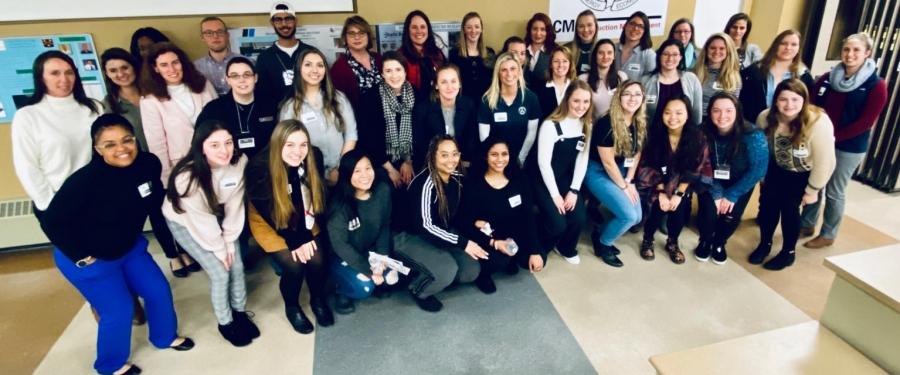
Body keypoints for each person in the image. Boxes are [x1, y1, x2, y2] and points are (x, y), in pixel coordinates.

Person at [40, 114, 194, 375]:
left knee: (158, 290)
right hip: (88, 258)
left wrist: (172, 250)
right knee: (119, 310)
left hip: (128, 247)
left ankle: (164, 338)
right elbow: (52, 222)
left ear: (135, 139)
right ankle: (110, 365)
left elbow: (157, 209)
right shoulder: (84, 181)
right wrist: (81, 256)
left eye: (126, 140)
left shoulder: (147, 164)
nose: (121, 149)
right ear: (97, 149)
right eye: (110, 144)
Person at [102, 47, 197, 278]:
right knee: (157, 209)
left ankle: (187, 250)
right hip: (137, 164)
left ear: (135, 68)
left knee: (181, 208)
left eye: (124, 67)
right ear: (107, 75)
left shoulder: (153, 91)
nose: (121, 74)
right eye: (113, 70)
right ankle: (173, 256)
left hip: (159, 158)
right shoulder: (111, 103)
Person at [162, 120, 258, 347]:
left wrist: (229, 240)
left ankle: (240, 313)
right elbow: (201, 221)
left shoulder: (239, 162)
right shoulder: (187, 177)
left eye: (228, 143)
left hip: (218, 217)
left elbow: (235, 205)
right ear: (201, 147)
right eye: (214, 145)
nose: (224, 150)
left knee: (237, 265)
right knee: (220, 272)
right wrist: (220, 248)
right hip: (185, 221)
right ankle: (225, 323)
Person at [800, 32, 888, 249]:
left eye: (856, 50)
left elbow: (866, 122)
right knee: (815, 183)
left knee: (834, 190)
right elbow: (811, 106)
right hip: (821, 142)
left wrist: (831, 138)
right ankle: (807, 223)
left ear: (867, 53)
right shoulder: (827, 78)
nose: (850, 54)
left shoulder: (876, 85)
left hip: (849, 147)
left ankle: (828, 233)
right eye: (846, 49)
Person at [245, 119, 334, 333]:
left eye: (303, 144)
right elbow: (270, 212)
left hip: (303, 208)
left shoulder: (314, 156)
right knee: (294, 266)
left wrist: (306, 234)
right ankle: (292, 307)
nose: (298, 151)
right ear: (278, 144)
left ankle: (318, 300)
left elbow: (313, 193)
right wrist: (295, 240)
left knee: (318, 260)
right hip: (271, 217)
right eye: (290, 145)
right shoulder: (258, 167)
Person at [750, 79, 836, 270]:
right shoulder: (765, 117)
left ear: (804, 101)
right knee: (767, 209)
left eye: (795, 100)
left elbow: (825, 161)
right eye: (783, 99)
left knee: (790, 212)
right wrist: (761, 175)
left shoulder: (818, 122)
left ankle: (788, 252)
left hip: (801, 173)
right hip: (775, 169)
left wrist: (813, 190)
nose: (789, 105)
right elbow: (760, 149)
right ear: (775, 101)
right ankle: (765, 244)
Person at [12, 51, 103, 214]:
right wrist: (49, 204)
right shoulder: (27, 115)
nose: (64, 79)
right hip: (57, 201)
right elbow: (26, 167)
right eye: (55, 73)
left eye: (69, 72)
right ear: (41, 78)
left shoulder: (94, 107)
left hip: (97, 196)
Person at [398, 135, 481, 312]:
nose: (451, 160)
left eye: (454, 154)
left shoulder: (456, 177)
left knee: (470, 270)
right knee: (447, 270)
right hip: (409, 236)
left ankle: (433, 271)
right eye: (444, 155)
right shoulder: (425, 184)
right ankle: (417, 288)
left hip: (439, 231)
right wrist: (463, 243)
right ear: (433, 156)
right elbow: (425, 226)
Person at [458, 136, 544, 293]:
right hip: (489, 237)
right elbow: (465, 224)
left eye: (504, 154)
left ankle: (513, 257)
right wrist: (493, 241)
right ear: (485, 156)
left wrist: (534, 251)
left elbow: (528, 217)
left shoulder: (519, 179)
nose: (500, 159)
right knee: (498, 261)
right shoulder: (474, 185)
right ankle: (483, 275)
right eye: (494, 154)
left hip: (514, 232)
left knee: (538, 258)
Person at [694, 93, 768, 264]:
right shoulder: (701, 132)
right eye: (716, 111)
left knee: (731, 216)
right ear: (710, 112)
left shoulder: (752, 135)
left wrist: (732, 195)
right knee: (708, 214)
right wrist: (717, 193)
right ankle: (705, 240)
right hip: (709, 180)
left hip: (740, 183)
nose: (722, 116)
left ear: (737, 111)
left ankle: (719, 243)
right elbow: (699, 164)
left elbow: (758, 169)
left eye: (728, 110)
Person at [637, 96, 712, 264]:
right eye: (668, 112)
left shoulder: (698, 138)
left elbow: (696, 168)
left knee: (678, 214)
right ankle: (648, 240)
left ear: (687, 115)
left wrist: (678, 194)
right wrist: (662, 191)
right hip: (657, 185)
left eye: (679, 113)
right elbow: (648, 165)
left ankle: (673, 242)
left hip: (681, 185)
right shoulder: (654, 135)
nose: (673, 118)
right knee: (656, 211)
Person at [585, 80, 647, 267]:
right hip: (598, 171)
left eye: (637, 94)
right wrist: (623, 187)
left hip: (621, 171)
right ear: (619, 97)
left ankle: (600, 232)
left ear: (643, 98)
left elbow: (636, 154)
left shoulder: (639, 121)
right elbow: (608, 162)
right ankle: (603, 244)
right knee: (628, 216)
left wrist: (630, 180)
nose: (632, 98)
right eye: (627, 93)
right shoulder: (607, 123)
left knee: (637, 216)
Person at [140, 42, 218, 185]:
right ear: (155, 68)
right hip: (182, 166)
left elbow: (220, 118)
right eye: (164, 65)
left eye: (175, 62)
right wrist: (166, 178)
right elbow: (157, 144)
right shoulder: (150, 101)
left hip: (215, 158)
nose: (172, 69)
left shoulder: (203, 85)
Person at [326, 150, 392, 314]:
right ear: (347, 174)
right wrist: (369, 270)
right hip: (341, 256)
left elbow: (385, 225)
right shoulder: (339, 205)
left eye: (368, 168)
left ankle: (372, 275)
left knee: (391, 277)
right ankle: (340, 290)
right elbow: (341, 246)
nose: (365, 175)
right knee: (364, 287)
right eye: (357, 171)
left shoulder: (382, 190)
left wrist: (382, 257)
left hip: (368, 251)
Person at [534, 81, 593, 265]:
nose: (581, 106)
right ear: (567, 99)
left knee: (578, 217)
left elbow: (582, 159)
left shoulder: (586, 124)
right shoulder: (551, 125)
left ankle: (565, 247)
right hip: (543, 179)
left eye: (586, 101)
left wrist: (574, 191)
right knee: (558, 223)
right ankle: (539, 246)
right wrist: (555, 196)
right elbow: (543, 163)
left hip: (566, 179)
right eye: (576, 101)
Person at [279, 48, 357, 186]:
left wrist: (340, 168)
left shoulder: (339, 98)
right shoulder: (289, 107)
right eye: (308, 64)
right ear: (299, 69)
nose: (315, 70)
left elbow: (351, 134)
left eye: (320, 65)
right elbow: (287, 145)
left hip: (340, 173)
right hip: (309, 176)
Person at [197, 57, 279, 160]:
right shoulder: (213, 109)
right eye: (235, 76)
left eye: (247, 75)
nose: (242, 80)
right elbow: (199, 144)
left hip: (266, 167)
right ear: (228, 80)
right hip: (229, 168)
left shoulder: (271, 105)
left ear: (256, 78)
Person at [356, 51, 416, 189]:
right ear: (382, 74)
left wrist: (408, 162)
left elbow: (421, 134)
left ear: (405, 71)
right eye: (388, 70)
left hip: (411, 158)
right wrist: (390, 169)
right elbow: (368, 138)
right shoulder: (370, 98)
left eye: (398, 69)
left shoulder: (417, 95)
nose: (394, 75)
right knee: (386, 187)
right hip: (380, 161)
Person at [478, 52, 541, 168]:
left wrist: (520, 158)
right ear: (498, 73)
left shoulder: (531, 98)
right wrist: (496, 160)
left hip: (521, 159)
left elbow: (531, 133)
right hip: (496, 161)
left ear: (519, 71)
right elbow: (484, 137)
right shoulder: (487, 100)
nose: (509, 74)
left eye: (513, 69)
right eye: (504, 70)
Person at [740, 29, 815, 122]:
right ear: (775, 45)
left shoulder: (804, 76)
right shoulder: (753, 72)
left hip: (789, 129)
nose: (788, 47)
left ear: (799, 49)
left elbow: (808, 107)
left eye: (794, 44)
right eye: (783, 43)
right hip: (754, 126)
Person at [412, 64, 478, 170]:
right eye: (444, 82)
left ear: (460, 84)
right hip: (432, 165)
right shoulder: (423, 109)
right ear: (436, 85)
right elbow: (420, 143)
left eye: (453, 81)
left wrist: (462, 162)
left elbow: (472, 138)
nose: (449, 87)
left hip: (462, 164)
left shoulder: (468, 105)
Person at [255, 2, 316, 105]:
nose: (284, 24)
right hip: (280, 116)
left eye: (288, 19)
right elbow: (263, 94)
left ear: (295, 21)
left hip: (312, 111)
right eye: (278, 20)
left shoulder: (311, 52)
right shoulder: (264, 58)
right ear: (272, 23)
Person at [641, 39, 703, 123]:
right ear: (659, 56)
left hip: (684, 134)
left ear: (680, 57)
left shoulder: (692, 79)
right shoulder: (645, 81)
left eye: (675, 54)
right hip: (651, 133)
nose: (670, 58)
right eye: (666, 54)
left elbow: (696, 112)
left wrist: (695, 133)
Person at [330, 16, 382, 113]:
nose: (357, 37)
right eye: (351, 33)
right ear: (345, 38)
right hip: (358, 123)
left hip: (386, 121)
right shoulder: (338, 68)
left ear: (368, 36)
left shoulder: (379, 59)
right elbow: (338, 106)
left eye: (361, 33)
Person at [398, 10, 446, 100]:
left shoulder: (437, 54)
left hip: (436, 106)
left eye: (423, 27)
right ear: (407, 30)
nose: (419, 31)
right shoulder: (400, 56)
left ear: (428, 30)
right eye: (414, 27)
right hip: (412, 108)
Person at [694, 33, 742, 119]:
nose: (717, 52)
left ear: (728, 51)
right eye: (712, 48)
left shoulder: (734, 77)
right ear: (706, 50)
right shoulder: (694, 73)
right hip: (696, 120)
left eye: (722, 48)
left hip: (721, 122)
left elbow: (732, 107)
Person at [449, 12, 495, 102]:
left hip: (485, 103)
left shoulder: (490, 53)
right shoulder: (454, 54)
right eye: (469, 27)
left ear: (481, 29)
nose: (473, 31)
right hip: (462, 104)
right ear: (464, 30)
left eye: (477, 27)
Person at [579, 39, 627, 120]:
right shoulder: (583, 79)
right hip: (594, 127)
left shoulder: (622, 77)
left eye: (609, 53)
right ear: (595, 55)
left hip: (618, 125)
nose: (605, 56)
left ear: (614, 55)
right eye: (601, 53)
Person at [194, 17, 241, 96]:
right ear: (202, 38)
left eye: (220, 32)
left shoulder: (247, 63)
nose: (215, 36)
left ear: (227, 35)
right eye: (209, 33)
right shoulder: (195, 68)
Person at [535, 45, 576, 121]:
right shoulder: (539, 88)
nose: (560, 65)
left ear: (570, 64)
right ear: (550, 64)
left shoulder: (576, 87)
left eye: (565, 61)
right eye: (556, 61)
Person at [616, 11, 656, 81]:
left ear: (645, 31)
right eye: (632, 24)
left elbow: (651, 83)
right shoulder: (613, 48)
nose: (635, 28)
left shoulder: (649, 55)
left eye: (640, 26)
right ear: (625, 26)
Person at [523, 13, 557, 92]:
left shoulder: (555, 51)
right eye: (535, 29)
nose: (538, 34)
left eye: (542, 29)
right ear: (529, 30)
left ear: (548, 32)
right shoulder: (522, 48)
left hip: (545, 96)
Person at [566, 10, 599, 75]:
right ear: (576, 29)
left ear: (596, 27)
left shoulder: (602, 49)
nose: (585, 30)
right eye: (581, 26)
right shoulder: (566, 50)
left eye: (589, 25)